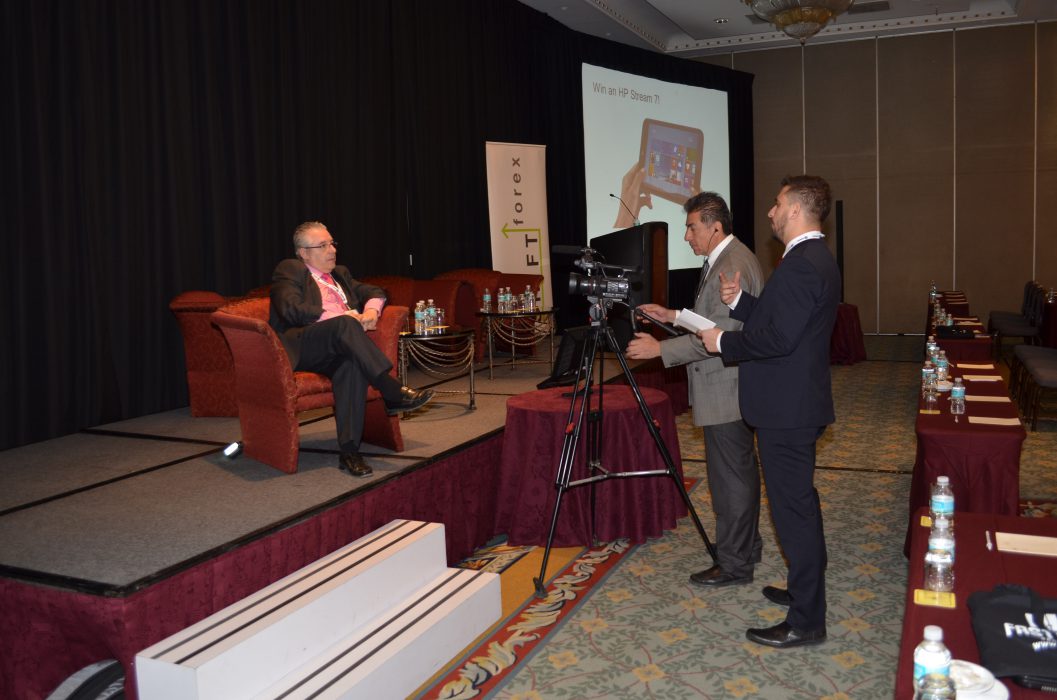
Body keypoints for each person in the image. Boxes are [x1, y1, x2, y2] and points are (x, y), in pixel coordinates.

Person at [697, 175, 840, 649]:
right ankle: (803, 592)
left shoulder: (802, 264)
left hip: (787, 410)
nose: (771, 212)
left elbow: (780, 339)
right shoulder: (810, 258)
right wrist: (741, 303)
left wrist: (723, 341)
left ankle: (806, 621)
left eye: (778, 204)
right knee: (799, 507)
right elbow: (785, 321)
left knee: (794, 513)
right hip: (793, 404)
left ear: (796, 210)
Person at [626, 192, 765, 589]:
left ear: (714, 227)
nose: (686, 236)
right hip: (729, 384)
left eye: (691, 227)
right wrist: (671, 315)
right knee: (737, 473)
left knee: (730, 480)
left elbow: (719, 336)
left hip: (727, 387)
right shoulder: (727, 257)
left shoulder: (732, 264)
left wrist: (659, 350)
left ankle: (735, 564)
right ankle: (745, 547)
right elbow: (710, 320)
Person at [269, 221, 434, 478]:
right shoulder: (291, 269)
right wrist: (342, 318)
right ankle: (390, 389)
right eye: (323, 245)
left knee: (351, 366)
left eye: (332, 243)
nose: (332, 250)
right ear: (303, 253)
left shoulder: (340, 274)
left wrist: (370, 312)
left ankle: (349, 452)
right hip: (304, 345)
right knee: (345, 324)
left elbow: (376, 291)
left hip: (339, 347)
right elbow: (290, 310)